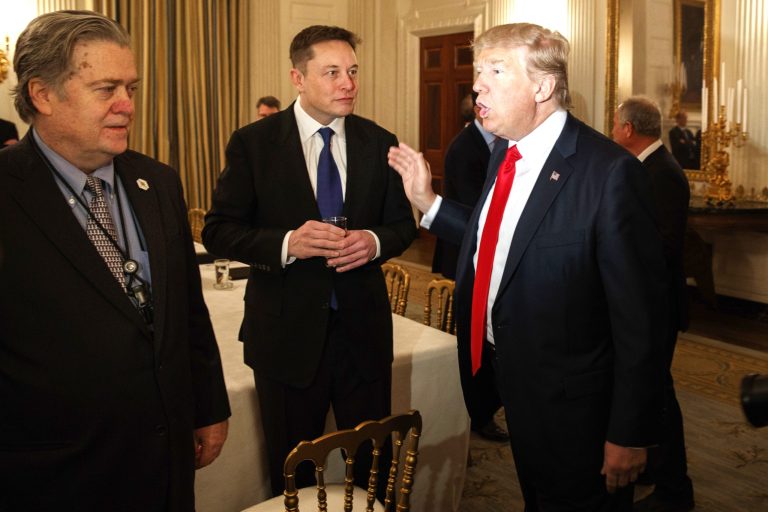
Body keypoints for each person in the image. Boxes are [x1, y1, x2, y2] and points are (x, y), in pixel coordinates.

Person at [389, 23, 667, 511]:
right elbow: (497, 238)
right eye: (478, 74)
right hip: (513, 381)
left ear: (542, 87)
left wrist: (630, 431)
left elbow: (643, 321)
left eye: (496, 71)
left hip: (577, 406)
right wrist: (429, 202)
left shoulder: (610, 174)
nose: (478, 86)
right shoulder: (505, 152)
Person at [0, 11, 231, 511]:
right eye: (106, 89)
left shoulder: (159, 182)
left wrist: (209, 407)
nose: (127, 105)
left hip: (166, 465)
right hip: (53, 475)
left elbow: (188, 310)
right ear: (42, 94)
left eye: (131, 87)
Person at [203, 25, 416, 497]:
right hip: (285, 336)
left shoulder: (378, 140)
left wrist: (374, 243)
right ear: (298, 78)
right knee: (292, 468)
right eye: (333, 72)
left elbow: (404, 225)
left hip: (363, 332)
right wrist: (287, 244)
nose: (349, 84)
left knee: (371, 466)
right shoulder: (254, 144)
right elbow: (217, 230)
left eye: (353, 72)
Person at [613, 96, 694, 512]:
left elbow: (663, 245)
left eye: (615, 124)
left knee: (659, 394)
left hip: (657, 305)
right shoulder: (644, 167)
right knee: (647, 391)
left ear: (628, 129)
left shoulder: (662, 172)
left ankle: (675, 489)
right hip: (645, 301)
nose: (612, 132)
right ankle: (649, 465)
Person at [432, 91, 508, 443]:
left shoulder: (502, 142)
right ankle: (475, 411)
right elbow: (472, 208)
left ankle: (482, 406)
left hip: (491, 255)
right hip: (466, 250)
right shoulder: (465, 148)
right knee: (471, 337)